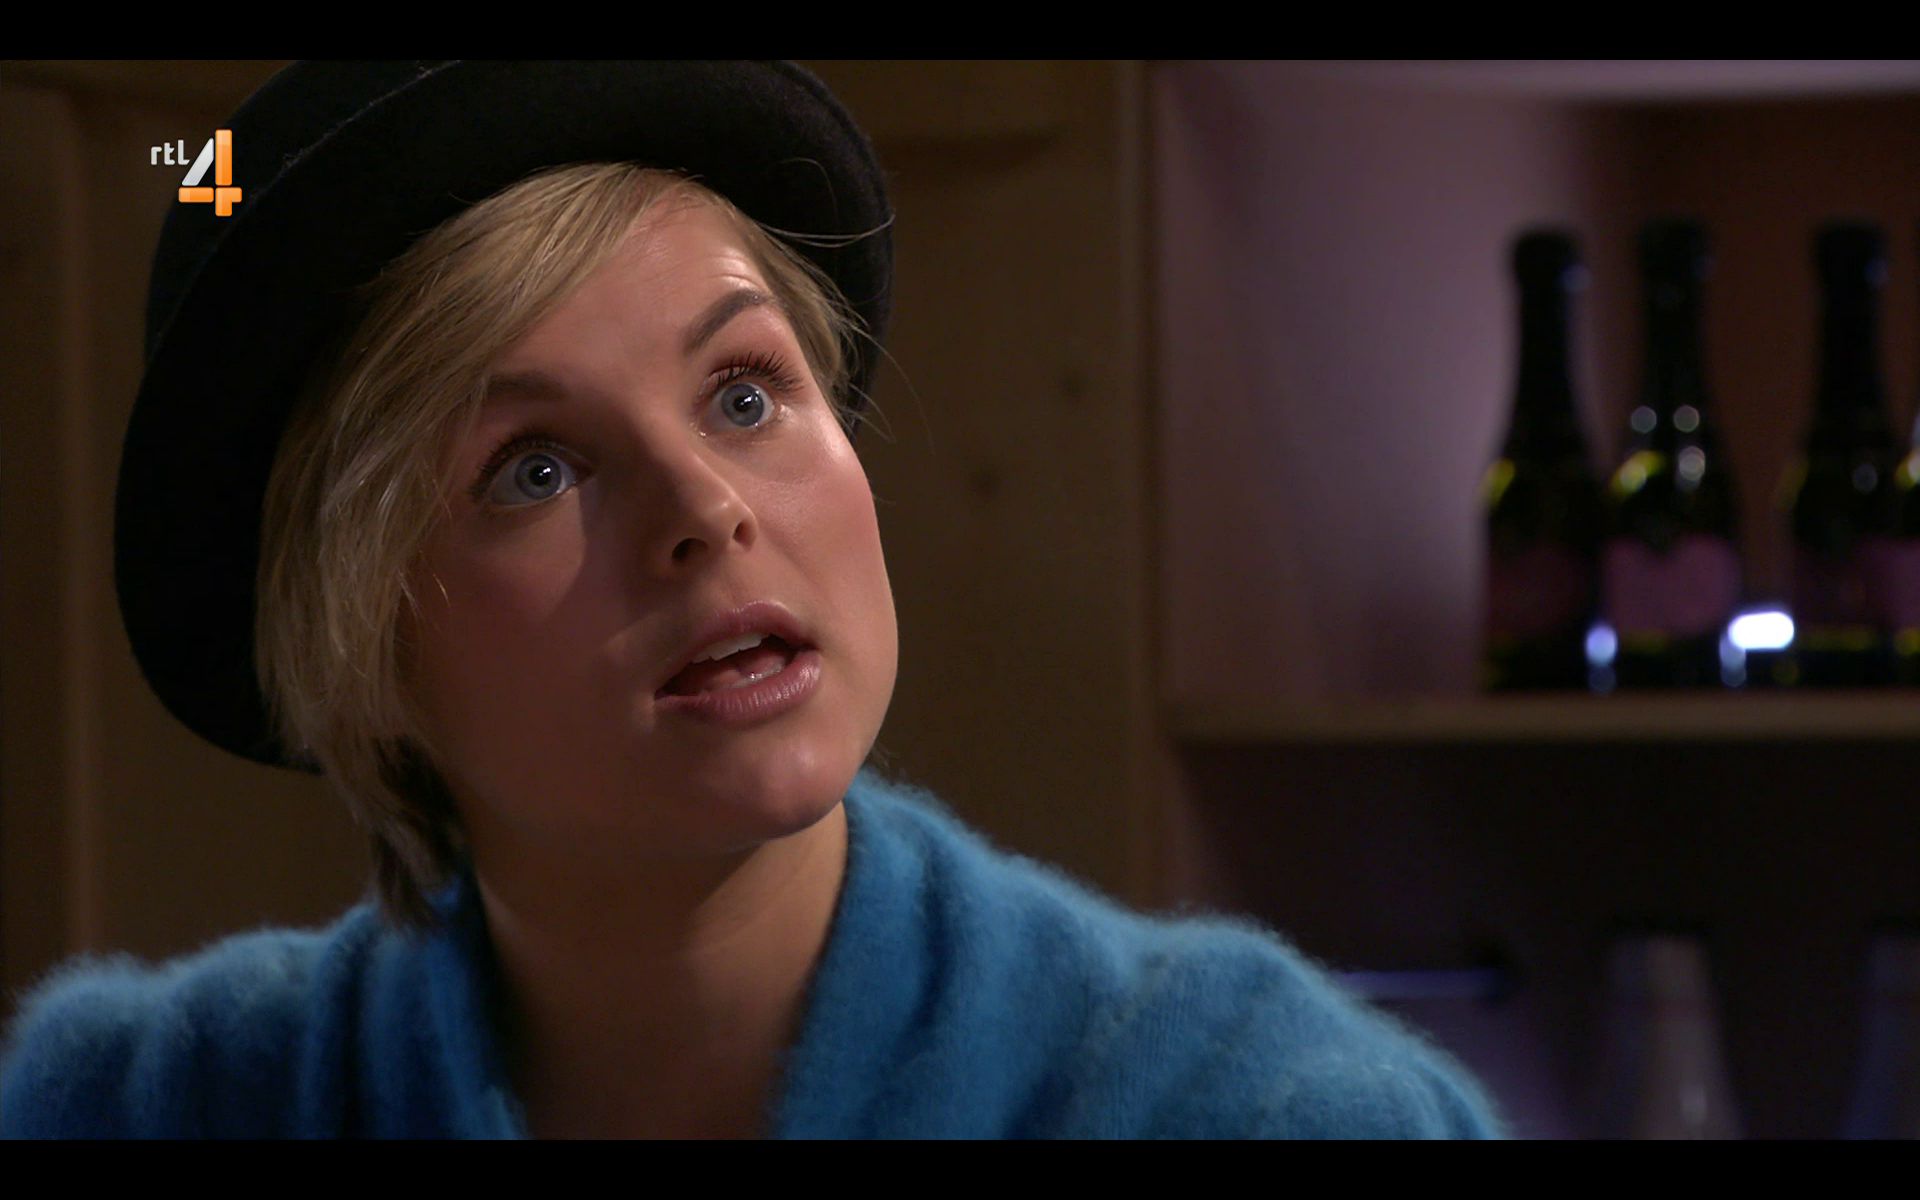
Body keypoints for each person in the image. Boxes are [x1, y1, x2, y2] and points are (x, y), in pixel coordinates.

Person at [0, 61, 1502, 1139]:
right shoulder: (151, 1104)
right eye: (533, 469)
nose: (705, 510)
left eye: (743, 393)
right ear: (358, 645)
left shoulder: (1253, 1108)